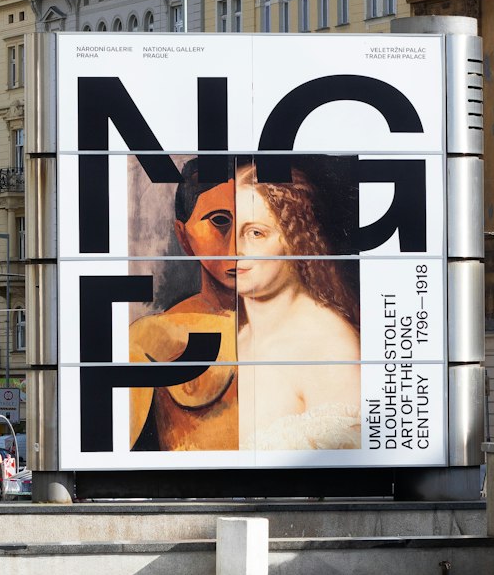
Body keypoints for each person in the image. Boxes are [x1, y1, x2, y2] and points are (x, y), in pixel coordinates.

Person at [234, 161, 361, 451]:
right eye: (230, 231)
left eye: (256, 233)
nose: (235, 250)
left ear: (294, 238)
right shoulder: (236, 337)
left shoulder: (329, 346)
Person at [128, 158, 238, 451]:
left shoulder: (315, 326)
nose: (239, 246)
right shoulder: (151, 339)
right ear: (183, 235)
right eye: (220, 221)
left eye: (257, 225)